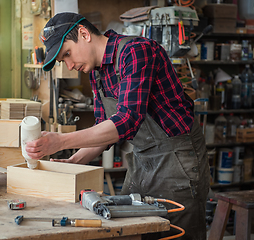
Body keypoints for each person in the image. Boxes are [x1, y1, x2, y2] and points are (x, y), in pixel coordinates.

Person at [26, 12, 210, 240]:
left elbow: (126, 121)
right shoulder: (97, 72)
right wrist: (74, 162)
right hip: (143, 162)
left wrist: (61, 141)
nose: (70, 65)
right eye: (64, 61)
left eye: (67, 54)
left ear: (84, 34)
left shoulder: (136, 52)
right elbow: (105, 129)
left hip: (177, 161)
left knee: (174, 234)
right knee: (125, 230)